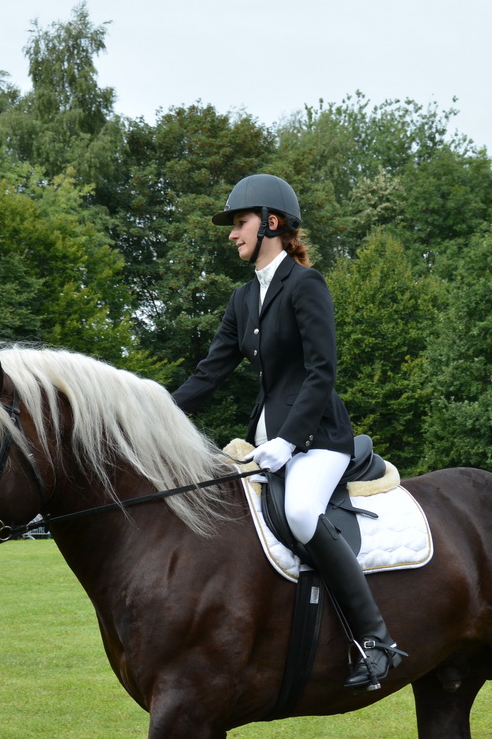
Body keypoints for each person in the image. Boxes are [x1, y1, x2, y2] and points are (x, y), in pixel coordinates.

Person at [171, 173, 407, 691]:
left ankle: (376, 641)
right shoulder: (242, 300)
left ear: (271, 224)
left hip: (318, 438)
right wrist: (153, 411)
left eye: (241, 223)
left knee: (301, 512)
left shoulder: (306, 284)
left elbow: (323, 372)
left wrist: (288, 439)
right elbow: (211, 372)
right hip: (268, 441)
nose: (233, 234)